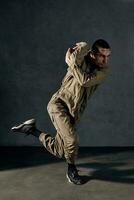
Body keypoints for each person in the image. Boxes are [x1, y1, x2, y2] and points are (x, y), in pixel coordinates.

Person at [11, 39, 111, 185]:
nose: (106, 59)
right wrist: (84, 46)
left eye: (108, 56)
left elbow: (85, 81)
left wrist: (71, 64)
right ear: (93, 54)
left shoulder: (104, 70)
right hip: (58, 105)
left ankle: (32, 130)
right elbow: (77, 54)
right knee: (72, 140)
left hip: (74, 113)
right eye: (103, 55)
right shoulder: (81, 59)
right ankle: (71, 169)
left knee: (59, 151)